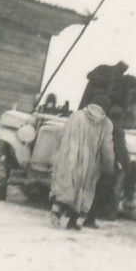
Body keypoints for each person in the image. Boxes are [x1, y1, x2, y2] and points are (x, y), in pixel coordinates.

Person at [49, 93, 116, 230]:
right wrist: (109, 165)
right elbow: (107, 147)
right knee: (84, 190)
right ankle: (74, 220)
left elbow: (62, 134)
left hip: (69, 157)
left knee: (66, 185)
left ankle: (56, 212)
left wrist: (59, 153)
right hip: (89, 163)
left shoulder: (76, 115)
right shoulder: (105, 123)